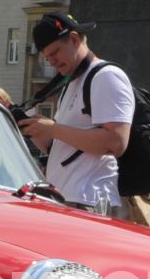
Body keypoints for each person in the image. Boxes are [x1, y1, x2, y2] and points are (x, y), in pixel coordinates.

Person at [17, 11, 133, 215]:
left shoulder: (107, 77)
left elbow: (116, 142)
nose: (51, 62)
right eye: (46, 57)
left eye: (54, 53)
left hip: (90, 201)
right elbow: (64, 148)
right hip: (69, 199)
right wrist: (35, 130)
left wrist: (53, 129)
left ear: (73, 39)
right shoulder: (73, 82)